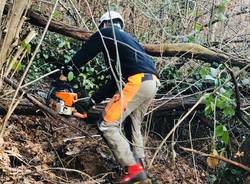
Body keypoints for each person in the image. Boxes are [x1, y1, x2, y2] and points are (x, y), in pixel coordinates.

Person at [57, 11, 160, 184]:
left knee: (106, 124)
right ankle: (142, 172)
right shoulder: (128, 44)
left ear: (104, 24)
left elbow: (85, 53)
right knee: (133, 125)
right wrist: (90, 102)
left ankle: (134, 171)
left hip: (137, 81)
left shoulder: (106, 33)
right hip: (152, 83)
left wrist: (67, 72)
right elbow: (115, 81)